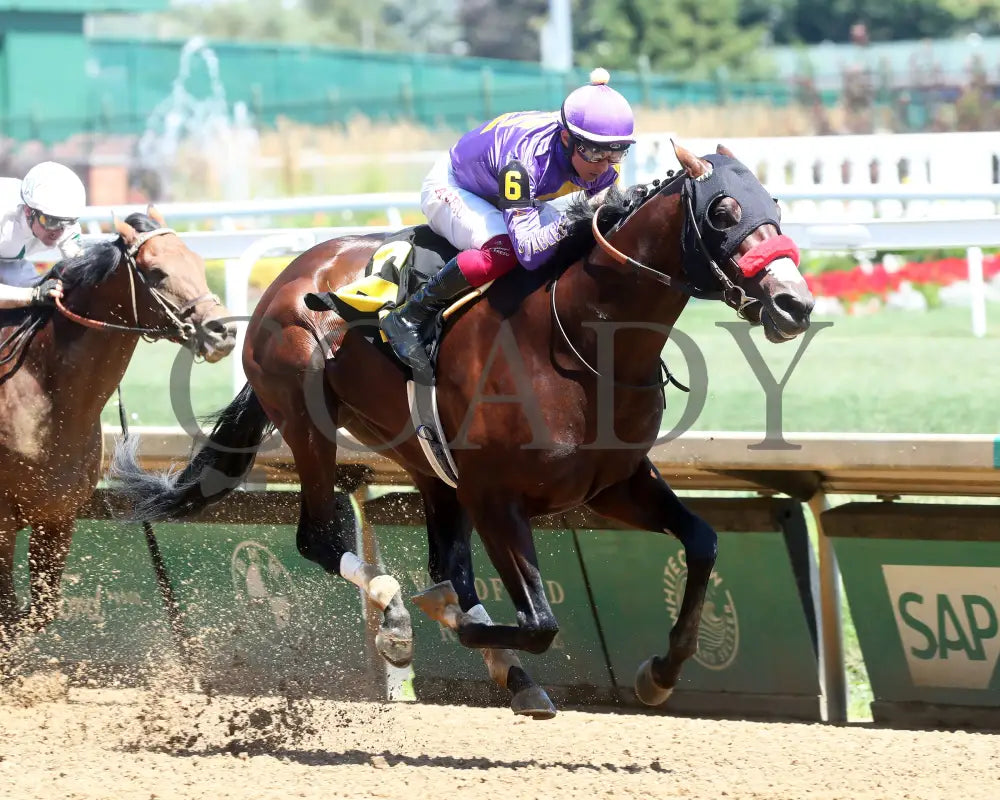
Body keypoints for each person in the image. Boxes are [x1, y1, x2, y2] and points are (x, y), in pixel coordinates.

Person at [380, 68, 635, 381]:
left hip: (504, 191)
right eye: (596, 152)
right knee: (503, 249)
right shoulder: (523, 161)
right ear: (567, 138)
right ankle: (410, 315)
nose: (605, 165)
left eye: (616, 152)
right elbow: (528, 251)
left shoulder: (594, 153)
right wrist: (571, 219)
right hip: (455, 186)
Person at [0, 161, 86, 309]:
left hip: (10, 262)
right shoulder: (4, 213)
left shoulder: (65, 223)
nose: (57, 231)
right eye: (50, 221)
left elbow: (82, 272)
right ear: (28, 211)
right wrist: (33, 295)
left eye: (64, 223)